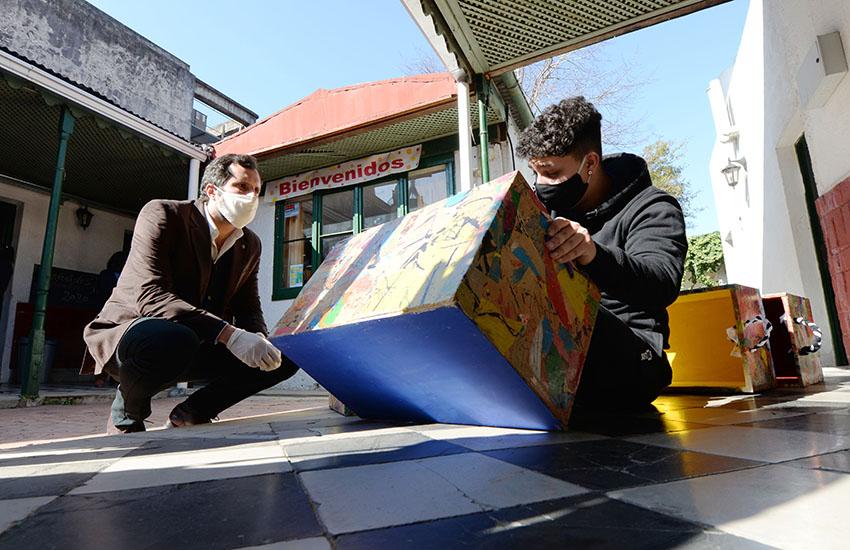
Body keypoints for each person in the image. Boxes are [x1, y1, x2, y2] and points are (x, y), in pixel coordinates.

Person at [83, 153, 298, 433]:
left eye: (257, 191)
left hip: (198, 342)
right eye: (243, 188)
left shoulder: (249, 244)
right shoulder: (164, 214)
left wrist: (256, 337)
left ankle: (192, 412)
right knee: (174, 337)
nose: (252, 197)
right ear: (212, 191)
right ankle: (127, 413)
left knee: (285, 356)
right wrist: (229, 335)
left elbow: (248, 305)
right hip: (133, 337)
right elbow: (150, 295)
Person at [516, 96, 687, 409]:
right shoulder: (546, 215)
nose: (541, 184)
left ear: (590, 164)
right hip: (563, 354)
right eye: (535, 173)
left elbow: (661, 282)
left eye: (552, 174)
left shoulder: (653, 207)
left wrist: (592, 253)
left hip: (636, 355)